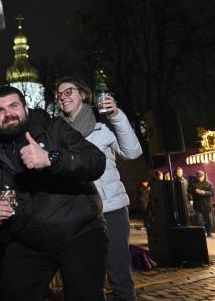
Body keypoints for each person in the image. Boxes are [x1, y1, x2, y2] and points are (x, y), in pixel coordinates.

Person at [0, 86, 107, 301]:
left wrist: (51, 159)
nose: (8, 113)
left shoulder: (53, 128)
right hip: (29, 240)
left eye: (13, 106)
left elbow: (95, 161)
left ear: (25, 109)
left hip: (79, 230)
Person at [56, 77, 142, 301]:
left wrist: (117, 116)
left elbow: (132, 152)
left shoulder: (103, 123)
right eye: (59, 94)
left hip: (111, 209)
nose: (63, 96)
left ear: (83, 94)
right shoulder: (58, 130)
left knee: (119, 271)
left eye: (68, 91)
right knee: (87, 277)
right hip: (79, 213)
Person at [188, 170, 214, 237]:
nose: (199, 178)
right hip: (197, 205)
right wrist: (195, 190)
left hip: (207, 205)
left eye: (200, 177)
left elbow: (212, 193)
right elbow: (188, 190)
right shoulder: (192, 183)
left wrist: (204, 192)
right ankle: (201, 233)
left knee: (209, 220)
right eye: (197, 177)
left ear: (204, 176)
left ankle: (209, 232)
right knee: (199, 221)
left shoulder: (209, 183)